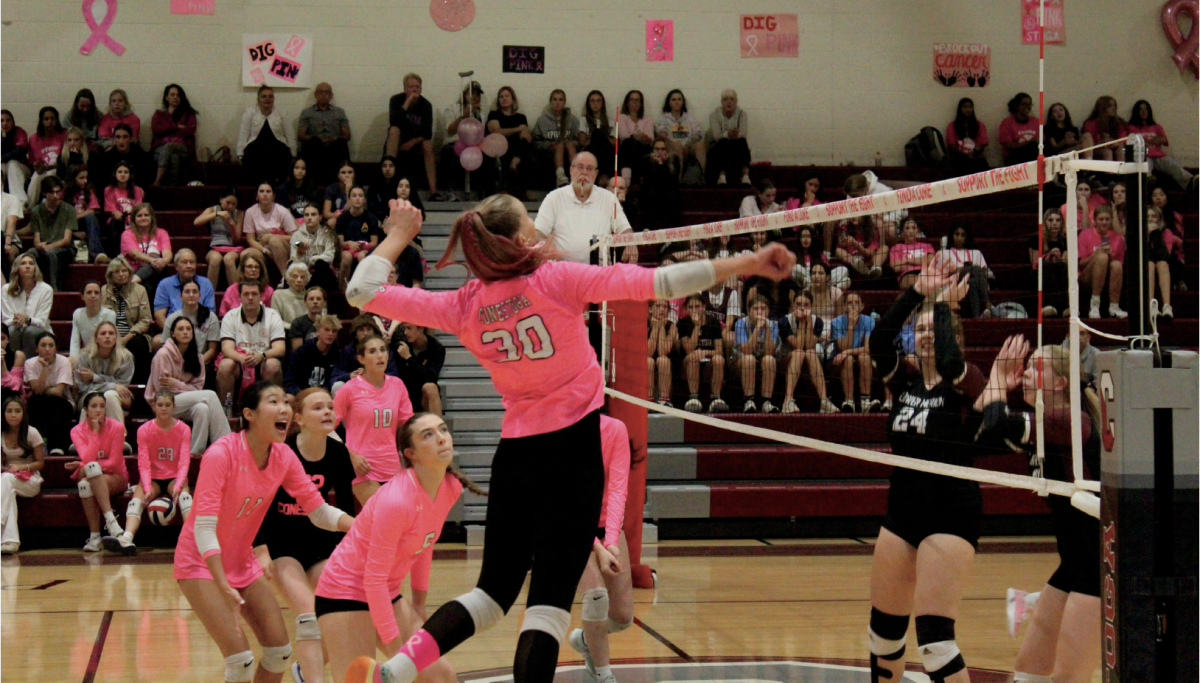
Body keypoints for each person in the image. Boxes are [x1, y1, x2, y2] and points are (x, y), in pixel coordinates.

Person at [340, 195, 794, 683]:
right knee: (549, 607)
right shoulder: (556, 279)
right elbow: (659, 283)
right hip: (574, 454)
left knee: (491, 594)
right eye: (529, 219)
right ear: (519, 239)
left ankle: (396, 669)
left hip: (515, 455)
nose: (539, 226)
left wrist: (398, 236)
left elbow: (360, 292)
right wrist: (747, 262)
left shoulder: (464, 303)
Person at [173, 381, 354, 683]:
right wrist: (222, 585)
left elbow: (319, 511)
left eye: (285, 401)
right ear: (249, 414)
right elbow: (203, 527)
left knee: (279, 653)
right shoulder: (222, 453)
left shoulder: (283, 456)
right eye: (273, 402)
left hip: (241, 563)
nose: (284, 408)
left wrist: (363, 527)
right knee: (241, 661)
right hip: (201, 566)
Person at [863, 258, 985, 683]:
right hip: (902, 513)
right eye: (922, 330)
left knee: (935, 645)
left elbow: (951, 363)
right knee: (883, 637)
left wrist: (942, 307)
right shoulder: (906, 381)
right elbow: (879, 340)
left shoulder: (969, 382)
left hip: (950, 516)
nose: (927, 336)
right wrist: (917, 294)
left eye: (936, 330)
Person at [977, 340, 1102, 683]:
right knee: (1028, 671)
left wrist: (999, 380)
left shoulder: (1067, 421)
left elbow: (998, 422)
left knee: (1067, 679)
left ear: (1060, 383)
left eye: (1036, 367)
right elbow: (984, 428)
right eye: (1027, 366)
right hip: (1073, 563)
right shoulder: (1043, 426)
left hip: (1102, 567)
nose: (1027, 374)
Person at [318, 413, 475, 683]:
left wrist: (419, 603)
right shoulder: (397, 500)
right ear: (410, 453)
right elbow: (373, 579)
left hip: (386, 594)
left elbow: (425, 543)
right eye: (428, 435)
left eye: (443, 429)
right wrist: (397, 657)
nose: (441, 437)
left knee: (441, 676)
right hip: (345, 592)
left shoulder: (449, 487)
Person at [249, 386, 357, 683]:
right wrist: (260, 547)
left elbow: (345, 506)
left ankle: (306, 670)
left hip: (320, 543)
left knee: (338, 614)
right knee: (309, 616)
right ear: (299, 418)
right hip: (281, 544)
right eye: (318, 408)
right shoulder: (283, 452)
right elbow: (256, 504)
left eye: (330, 407)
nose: (327, 412)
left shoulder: (338, 453)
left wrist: (352, 548)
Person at [565, 415, 634, 683]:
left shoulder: (615, 429)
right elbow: (566, 499)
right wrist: (597, 548)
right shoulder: (559, 429)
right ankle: (604, 676)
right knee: (595, 595)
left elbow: (618, 488)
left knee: (622, 616)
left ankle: (586, 639)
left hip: (608, 525)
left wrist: (612, 542)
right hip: (570, 524)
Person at [107, 390, 193, 555]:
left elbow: (184, 461)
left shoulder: (183, 429)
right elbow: (144, 462)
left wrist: (180, 483)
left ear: (174, 407)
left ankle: (192, 542)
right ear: (154, 406)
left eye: (167, 405)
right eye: (160, 405)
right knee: (136, 501)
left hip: (174, 476)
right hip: (153, 477)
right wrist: (146, 487)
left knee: (184, 498)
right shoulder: (144, 430)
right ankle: (127, 538)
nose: (163, 408)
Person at [334, 334, 414, 504]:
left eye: (383, 350)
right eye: (372, 351)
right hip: (362, 467)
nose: (379, 355)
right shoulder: (349, 390)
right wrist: (349, 454)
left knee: (387, 524)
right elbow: (325, 429)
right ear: (361, 358)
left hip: (392, 465)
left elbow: (408, 425)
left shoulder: (397, 385)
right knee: (383, 511)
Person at [533, 152, 635, 265]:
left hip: (599, 273)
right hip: (563, 272)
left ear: (596, 174)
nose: (584, 172)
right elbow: (538, 233)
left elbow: (625, 229)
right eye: (580, 167)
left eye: (589, 168)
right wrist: (547, 248)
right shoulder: (554, 198)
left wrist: (631, 243)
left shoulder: (609, 199)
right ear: (571, 170)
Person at [150, 314, 232, 451]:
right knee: (210, 395)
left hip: (183, 402)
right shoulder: (163, 355)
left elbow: (198, 388)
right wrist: (187, 389)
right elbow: (162, 390)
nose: (185, 332)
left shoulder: (198, 357)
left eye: (188, 329)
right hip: (162, 403)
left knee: (203, 409)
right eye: (181, 329)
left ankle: (195, 454)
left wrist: (177, 385)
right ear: (173, 333)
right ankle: (226, 446)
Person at [69, 390, 129, 551]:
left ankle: (110, 521)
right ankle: (95, 536)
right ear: (86, 410)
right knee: (85, 484)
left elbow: (115, 463)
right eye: (94, 406)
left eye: (102, 406)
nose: (98, 410)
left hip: (116, 477)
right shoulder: (77, 431)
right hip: (93, 475)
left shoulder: (116, 427)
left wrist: (83, 467)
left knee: (91, 469)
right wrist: (94, 432)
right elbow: (88, 460)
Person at [218, 281, 287, 411]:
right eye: (246, 294)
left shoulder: (272, 316)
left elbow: (280, 348)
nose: (250, 297)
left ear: (261, 296)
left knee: (273, 365)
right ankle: (226, 410)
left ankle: (273, 408)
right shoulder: (230, 316)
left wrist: (262, 355)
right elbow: (227, 349)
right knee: (225, 365)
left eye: (254, 294)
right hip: (239, 361)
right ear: (239, 297)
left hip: (263, 359)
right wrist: (240, 358)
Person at [779, 292, 836, 414]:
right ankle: (787, 401)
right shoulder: (784, 321)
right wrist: (801, 322)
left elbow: (809, 345)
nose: (802, 308)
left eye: (806, 305)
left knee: (810, 352)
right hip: (786, 361)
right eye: (798, 304)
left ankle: (824, 401)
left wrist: (808, 322)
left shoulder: (818, 322)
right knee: (799, 352)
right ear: (793, 305)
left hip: (808, 361)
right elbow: (798, 346)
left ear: (812, 307)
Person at [1, 395, 44, 555]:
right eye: (9, 411)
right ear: (3, 413)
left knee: (5, 481)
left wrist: (21, 466)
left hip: (30, 480)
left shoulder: (32, 432)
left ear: (23, 413)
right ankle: (10, 542)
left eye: (17, 411)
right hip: (8, 479)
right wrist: (7, 468)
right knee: (7, 487)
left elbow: (40, 463)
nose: (13, 415)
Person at [386, 73, 440, 198]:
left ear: (421, 89)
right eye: (411, 87)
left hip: (415, 144)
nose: (414, 90)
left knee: (427, 144)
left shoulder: (426, 105)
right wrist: (407, 102)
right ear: (405, 89)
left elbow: (427, 133)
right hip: (397, 142)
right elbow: (394, 122)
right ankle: (388, 185)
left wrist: (413, 142)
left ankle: (433, 191)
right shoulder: (395, 100)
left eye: (417, 87)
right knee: (394, 130)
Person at [101, 255, 154, 383]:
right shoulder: (104, 290)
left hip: (133, 334)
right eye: (117, 271)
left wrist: (125, 338)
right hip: (112, 334)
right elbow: (101, 318)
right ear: (110, 275)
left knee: (139, 343)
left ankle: (139, 384)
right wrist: (115, 337)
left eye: (124, 271)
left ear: (130, 273)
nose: (121, 274)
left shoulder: (139, 290)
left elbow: (145, 320)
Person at [1127, 99, 1196, 191]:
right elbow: (1133, 141)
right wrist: (1154, 140)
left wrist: (1145, 141)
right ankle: (1148, 184)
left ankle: (1192, 182)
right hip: (1144, 154)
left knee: (1173, 165)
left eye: (1146, 109)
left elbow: (1163, 140)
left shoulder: (1156, 127)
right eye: (1140, 110)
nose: (1143, 112)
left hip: (1158, 155)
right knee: (1145, 167)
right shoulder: (1131, 127)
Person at [23, 332, 74, 456]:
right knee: (35, 400)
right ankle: (35, 445)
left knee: (50, 401)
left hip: (64, 403)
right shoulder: (30, 363)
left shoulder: (64, 362)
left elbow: (58, 391)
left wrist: (42, 390)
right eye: (43, 345)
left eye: (51, 345)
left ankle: (56, 446)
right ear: (36, 348)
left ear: (56, 348)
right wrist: (45, 368)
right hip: (40, 403)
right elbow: (37, 391)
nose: (47, 349)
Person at [75, 321, 134, 423]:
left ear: (116, 338)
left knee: (110, 396)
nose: (107, 336)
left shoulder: (126, 357)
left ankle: (117, 437)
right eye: (103, 333)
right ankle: (86, 438)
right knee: (93, 398)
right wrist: (112, 385)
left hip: (117, 399)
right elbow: (83, 387)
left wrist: (94, 378)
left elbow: (122, 386)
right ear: (96, 338)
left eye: (111, 333)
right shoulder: (84, 356)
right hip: (87, 396)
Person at [237, 85, 296, 185]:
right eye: (264, 96)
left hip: (277, 148)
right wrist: (240, 154)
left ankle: (274, 182)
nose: (267, 99)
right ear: (258, 99)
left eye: (270, 96)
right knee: (254, 152)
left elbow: (290, 134)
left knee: (280, 151)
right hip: (256, 148)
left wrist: (294, 154)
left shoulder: (282, 113)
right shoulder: (250, 113)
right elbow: (243, 134)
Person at [678, 294, 727, 413]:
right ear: (686, 309)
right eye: (691, 307)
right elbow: (688, 349)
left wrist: (704, 352)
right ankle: (693, 398)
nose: (694, 310)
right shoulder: (682, 324)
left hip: (708, 364)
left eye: (697, 306)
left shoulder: (714, 323)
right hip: (688, 365)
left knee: (719, 359)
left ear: (704, 307)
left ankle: (716, 398)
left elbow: (719, 350)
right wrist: (697, 327)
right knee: (693, 356)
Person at [831, 291, 877, 413]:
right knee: (848, 359)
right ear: (845, 306)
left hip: (859, 357)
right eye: (850, 303)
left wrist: (847, 352)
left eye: (856, 303)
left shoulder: (869, 321)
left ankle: (865, 402)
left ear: (862, 306)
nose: (853, 306)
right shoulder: (836, 322)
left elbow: (868, 348)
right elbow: (842, 348)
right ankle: (849, 401)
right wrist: (851, 325)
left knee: (865, 357)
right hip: (838, 360)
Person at [1078, 204, 1127, 319]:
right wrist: (1096, 254)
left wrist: (1111, 256)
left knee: (1116, 264)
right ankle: (1094, 304)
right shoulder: (1085, 234)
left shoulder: (1118, 238)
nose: (1104, 222)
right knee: (1102, 258)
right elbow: (1081, 264)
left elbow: (1119, 266)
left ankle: (1114, 307)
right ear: (1095, 220)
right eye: (1101, 219)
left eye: (1107, 219)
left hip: (1108, 277)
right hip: (1086, 275)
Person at [298, 82, 352, 184]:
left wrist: (334, 139)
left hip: (334, 146)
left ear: (331, 95)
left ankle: (344, 181)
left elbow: (347, 136)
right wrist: (317, 138)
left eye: (327, 92)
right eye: (320, 92)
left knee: (341, 143)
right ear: (315, 94)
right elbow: (300, 135)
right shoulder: (307, 112)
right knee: (314, 142)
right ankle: (312, 182)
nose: (324, 94)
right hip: (316, 147)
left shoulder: (339, 112)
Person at [733, 295, 779, 413]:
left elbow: (769, 352)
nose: (760, 312)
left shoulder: (773, 325)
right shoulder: (740, 323)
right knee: (749, 359)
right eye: (755, 309)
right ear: (749, 311)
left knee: (770, 360)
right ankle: (748, 401)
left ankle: (766, 402)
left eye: (763, 309)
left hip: (761, 363)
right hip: (740, 362)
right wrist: (758, 328)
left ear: (768, 311)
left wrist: (767, 329)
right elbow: (747, 351)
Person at [29, 176, 76, 291]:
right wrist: (39, 245)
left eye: (58, 192)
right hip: (45, 247)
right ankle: (30, 287)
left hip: (65, 249)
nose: (55, 195)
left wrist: (49, 247)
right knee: (29, 254)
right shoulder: (36, 211)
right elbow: (36, 238)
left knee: (52, 253)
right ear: (44, 193)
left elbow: (67, 240)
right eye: (52, 192)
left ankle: (55, 289)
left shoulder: (69, 210)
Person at [331, 316, 400, 395]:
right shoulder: (347, 351)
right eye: (361, 330)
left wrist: (371, 375)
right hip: (353, 388)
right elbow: (334, 378)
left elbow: (394, 375)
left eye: (369, 329)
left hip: (378, 388)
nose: (366, 333)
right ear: (355, 334)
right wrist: (350, 376)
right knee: (337, 385)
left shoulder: (383, 349)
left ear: (374, 332)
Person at [440, 81, 488, 192]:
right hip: (453, 143)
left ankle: (481, 192)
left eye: (477, 94)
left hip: (472, 146)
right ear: (465, 95)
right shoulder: (453, 109)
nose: (474, 96)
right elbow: (450, 131)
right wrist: (463, 116)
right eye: (472, 93)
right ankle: (451, 190)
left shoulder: (480, 115)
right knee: (454, 151)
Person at [244, 182, 298, 279]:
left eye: (268, 191)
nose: (265, 194)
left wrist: (271, 237)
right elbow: (250, 240)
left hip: (283, 247)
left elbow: (295, 237)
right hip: (262, 248)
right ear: (257, 196)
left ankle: (286, 278)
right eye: (262, 191)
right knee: (245, 254)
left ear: (273, 196)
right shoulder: (250, 212)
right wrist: (265, 250)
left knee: (274, 241)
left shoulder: (282, 210)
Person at [3, 253, 53, 357]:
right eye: (23, 263)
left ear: (35, 268)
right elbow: (5, 319)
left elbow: (42, 321)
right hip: (14, 327)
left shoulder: (46, 289)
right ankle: (14, 368)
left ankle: (28, 367)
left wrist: (28, 319)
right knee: (13, 330)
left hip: (38, 329)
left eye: (31, 263)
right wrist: (16, 320)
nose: (27, 266)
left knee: (29, 331)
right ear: (17, 268)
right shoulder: (6, 289)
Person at [162, 280, 221, 368]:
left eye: (194, 292)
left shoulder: (211, 317)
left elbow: (212, 350)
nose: (191, 295)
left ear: (199, 296)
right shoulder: (172, 318)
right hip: (176, 364)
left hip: (202, 364)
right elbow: (166, 346)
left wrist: (198, 363)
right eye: (187, 292)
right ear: (181, 296)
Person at [149, 83, 199, 185]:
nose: (175, 97)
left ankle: (157, 180)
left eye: (178, 95)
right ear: (166, 97)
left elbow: (190, 131)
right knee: (173, 157)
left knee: (169, 146)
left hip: (182, 149)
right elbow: (156, 130)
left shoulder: (188, 114)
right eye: (172, 94)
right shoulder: (159, 114)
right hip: (160, 149)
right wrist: (176, 127)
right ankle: (172, 188)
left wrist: (166, 129)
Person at [939, 224, 992, 319]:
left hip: (971, 282)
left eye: (963, 235)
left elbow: (984, 272)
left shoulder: (976, 253)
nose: (959, 238)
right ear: (952, 236)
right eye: (957, 234)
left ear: (966, 237)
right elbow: (942, 274)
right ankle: (988, 305)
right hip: (954, 282)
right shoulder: (944, 253)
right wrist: (961, 269)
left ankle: (977, 317)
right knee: (975, 268)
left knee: (972, 281)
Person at [196, 186, 245, 289]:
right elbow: (196, 222)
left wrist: (232, 226)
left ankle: (235, 294)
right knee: (215, 258)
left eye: (233, 204)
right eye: (228, 203)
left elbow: (237, 239)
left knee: (228, 259)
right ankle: (209, 296)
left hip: (231, 248)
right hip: (215, 246)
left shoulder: (239, 213)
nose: (230, 206)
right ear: (221, 199)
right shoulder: (212, 210)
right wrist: (217, 214)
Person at [120, 202, 172, 299]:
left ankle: (131, 283)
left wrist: (163, 261)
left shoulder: (161, 233)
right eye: (139, 216)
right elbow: (135, 254)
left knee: (157, 259)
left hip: (158, 273)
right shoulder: (127, 234)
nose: (143, 218)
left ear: (151, 217)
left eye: (146, 215)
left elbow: (168, 253)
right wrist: (153, 261)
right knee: (148, 281)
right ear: (134, 218)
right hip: (134, 271)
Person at [153, 249, 215, 329]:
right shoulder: (165, 284)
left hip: (200, 330)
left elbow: (210, 314)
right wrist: (175, 334)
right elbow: (159, 316)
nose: (189, 266)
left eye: (192, 262)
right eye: (184, 262)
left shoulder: (206, 284)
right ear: (176, 266)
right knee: (157, 340)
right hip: (173, 330)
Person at [394, 323, 445, 416]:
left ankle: (437, 427)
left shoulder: (436, 348)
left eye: (409, 328)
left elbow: (430, 378)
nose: (405, 332)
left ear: (421, 328)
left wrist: (409, 358)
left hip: (423, 396)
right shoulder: (401, 346)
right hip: (405, 392)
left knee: (431, 387)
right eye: (405, 329)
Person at [532, 89, 580, 188]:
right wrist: (549, 144)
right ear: (550, 102)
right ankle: (560, 176)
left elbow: (578, 140)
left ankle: (576, 175)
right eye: (554, 100)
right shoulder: (542, 120)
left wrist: (569, 143)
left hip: (569, 149)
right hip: (550, 150)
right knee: (559, 146)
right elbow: (536, 142)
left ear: (564, 102)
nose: (557, 103)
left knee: (567, 144)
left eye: (560, 100)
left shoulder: (572, 120)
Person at [655, 89, 704, 183]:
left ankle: (701, 178)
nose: (676, 102)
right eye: (673, 100)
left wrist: (688, 145)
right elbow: (662, 135)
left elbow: (697, 134)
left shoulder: (690, 119)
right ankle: (679, 178)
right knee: (677, 145)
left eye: (679, 99)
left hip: (688, 147)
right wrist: (678, 145)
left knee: (700, 145)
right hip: (672, 147)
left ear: (683, 102)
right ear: (669, 103)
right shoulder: (663, 119)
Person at [284, 315, 341, 396]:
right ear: (317, 332)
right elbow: (289, 381)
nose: (330, 334)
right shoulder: (301, 352)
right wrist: (299, 393)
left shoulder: (338, 354)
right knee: (289, 397)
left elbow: (337, 378)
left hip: (326, 395)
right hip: (302, 394)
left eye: (334, 331)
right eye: (326, 330)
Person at [336, 186, 381, 287]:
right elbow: (340, 243)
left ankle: (365, 289)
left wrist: (364, 246)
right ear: (349, 199)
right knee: (346, 257)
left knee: (362, 256)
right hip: (348, 249)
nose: (357, 198)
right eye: (354, 195)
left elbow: (374, 242)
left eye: (360, 196)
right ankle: (343, 291)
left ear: (364, 200)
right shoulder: (342, 218)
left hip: (364, 249)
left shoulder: (371, 218)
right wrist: (349, 244)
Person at [63, 164, 108, 263]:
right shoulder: (64, 193)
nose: (85, 181)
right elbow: (61, 216)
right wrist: (74, 232)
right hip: (68, 227)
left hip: (85, 224)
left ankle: (97, 254)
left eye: (86, 177)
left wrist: (75, 217)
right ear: (73, 179)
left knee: (91, 217)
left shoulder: (89, 191)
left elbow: (91, 210)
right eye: (81, 178)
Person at [706, 89, 751, 186]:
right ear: (722, 102)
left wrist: (735, 134)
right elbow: (716, 136)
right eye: (725, 99)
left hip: (736, 145)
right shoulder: (714, 115)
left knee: (742, 141)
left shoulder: (742, 114)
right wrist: (728, 134)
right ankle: (721, 176)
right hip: (718, 147)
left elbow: (743, 134)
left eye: (732, 99)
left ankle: (745, 176)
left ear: (736, 102)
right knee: (724, 142)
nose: (729, 102)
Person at [1030, 208, 1070, 318]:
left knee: (1061, 267)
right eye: (1051, 220)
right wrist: (1048, 257)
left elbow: (1065, 262)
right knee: (1047, 267)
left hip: (1059, 271)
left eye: (1058, 220)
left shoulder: (1065, 239)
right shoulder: (1036, 238)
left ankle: (1066, 307)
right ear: (1045, 222)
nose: (1054, 224)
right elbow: (1034, 264)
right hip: (1039, 273)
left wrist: (1059, 258)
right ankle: (1049, 305)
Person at [291, 203, 339, 293]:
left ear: (320, 217)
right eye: (306, 215)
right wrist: (300, 253)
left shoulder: (327, 233)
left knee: (320, 264)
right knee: (293, 269)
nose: (309, 218)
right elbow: (294, 260)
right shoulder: (296, 236)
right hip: (304, 273)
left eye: (313, 214)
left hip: (324, 273)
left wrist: (311, 259)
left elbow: (330, 256)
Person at [638, 139, 682, 232]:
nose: (659, 152)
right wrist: (659, 164)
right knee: (652, 193)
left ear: (667, 150)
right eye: (657, 149)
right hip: (651, 194)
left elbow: (671, 184)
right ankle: (648, 227)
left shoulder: (674, 160)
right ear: (653, 150)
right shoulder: (647, 161)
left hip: (668, 195)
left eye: (663, 149)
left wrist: (662, 165)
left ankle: (678, 228)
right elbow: (649, 183)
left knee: (673, 195)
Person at [26, 107, 66, 208]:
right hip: (42, 170)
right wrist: (37, 166)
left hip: (58, 170)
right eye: (46, 119)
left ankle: (46, 206)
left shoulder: (64, 135)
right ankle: (30, 208)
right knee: (36, 177)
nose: (50, 122)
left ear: (57, 120)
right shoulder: (34, 138)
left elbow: (65, 161)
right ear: (41, 121)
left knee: (50, 174)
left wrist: (47, 167)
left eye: (53, 119)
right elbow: (33, 162)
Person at [1146, 205, 1180, 320]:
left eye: (1154, 216)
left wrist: (1156, 235)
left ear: (1159, 219)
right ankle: (1151, 305)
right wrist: (1146, 235)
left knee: (1162, 264)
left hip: (1163, 265)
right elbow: (1140, 255)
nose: (1150, 219)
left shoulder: (1167, 233)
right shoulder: (1137, 233)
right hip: (1145, 265)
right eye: (1147, 216)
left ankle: (1166, 306)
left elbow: (1165, 255)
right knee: (1149, 264)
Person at [614, 90, 653, 186]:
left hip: (643, 148)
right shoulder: (622, 117)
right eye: (632, 100)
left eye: (638, 100)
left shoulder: (648, 119)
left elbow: (650, 137)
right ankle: (626, 180)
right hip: (627, 148)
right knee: (629, 143)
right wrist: (637, 137)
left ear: (641, 103)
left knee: (642, 147)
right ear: (627, 103)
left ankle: (641, 179)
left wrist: (636, 137)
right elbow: (624, 135)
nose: (635, 102)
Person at [219, 250, 275, 317]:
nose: (253, 269)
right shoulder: (232, 290)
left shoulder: (269, 291)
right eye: (250, 266)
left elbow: (272, 315)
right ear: (243, 269)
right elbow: (223, 314)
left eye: (256, 267)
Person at [103, 160, 145, 248]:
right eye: (120, 172)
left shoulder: (137, 190)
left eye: (126, 172)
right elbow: (110, 207)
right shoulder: (109, 189)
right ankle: (119, 253)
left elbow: (138, 207)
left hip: (133, 218)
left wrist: (130, 217)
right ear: (115, 174)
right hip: (116, 219)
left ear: (130, 175)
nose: (123, 174)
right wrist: (116, 213)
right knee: (116, 222)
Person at [794, 225, 849, 290]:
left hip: (821, 280)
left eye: (808, 236)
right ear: (799, 239)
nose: (805, 239)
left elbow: (827, 271)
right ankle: (828, 288)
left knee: (844, 271)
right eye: (803, 236)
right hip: (806, 280)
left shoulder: (820, 255)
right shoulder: (794, 256)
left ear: (812, 238)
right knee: (796, 268)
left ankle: (828, 288)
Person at [578, 90, 616, 184]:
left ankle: (603, 176)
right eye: (592, 101)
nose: (595, 104)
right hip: (590, 150)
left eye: (598, 101)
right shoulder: (584, 120)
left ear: (602, 104)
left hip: (607, 150)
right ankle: (601, 176)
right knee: (597, 134)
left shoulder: (610, 121)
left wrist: (601, 138)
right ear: (588, 104)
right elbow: (583, 142)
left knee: (600, 136)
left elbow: (614, 142)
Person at [945, 97, 989, 174]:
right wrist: (965, 155)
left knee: (982, 163)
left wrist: (975, 152)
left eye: (970, 107)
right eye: (965, 107)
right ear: (960, 109)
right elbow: (952, 147)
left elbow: (982, 142)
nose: (968, 109)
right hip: (959, 156)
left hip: (976, 155)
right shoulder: (952, 126)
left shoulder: (979, 125)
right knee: (964, 163)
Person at [835, 214, 886, 280]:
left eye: (857, 214)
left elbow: (870, 253)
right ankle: (858, 264)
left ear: (865, 216)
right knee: (838, 251)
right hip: (852, 258)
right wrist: (842, 244)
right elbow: (840, 248)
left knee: (885, 248)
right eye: (852, 214)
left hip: (870, 258)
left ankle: (875, 268)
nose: (853, 216)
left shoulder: (872, 231)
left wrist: (855, 244)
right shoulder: (844, 228)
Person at [647, 300, 677, 407]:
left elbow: (662, 352)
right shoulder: (644, 323)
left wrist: (661, 328)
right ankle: (648, 400)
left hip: (666, 362)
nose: (661, 310)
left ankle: (665, 400)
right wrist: (655, 327)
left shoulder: (672, 326)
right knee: (648, 361)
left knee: (663, 360)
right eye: (658, 306)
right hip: (647, 360)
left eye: (665, 307)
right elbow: (649, 352)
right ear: (650, 309)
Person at [890, 217, 934, 290]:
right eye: (907, 228)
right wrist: (921, 262)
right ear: (902, 231)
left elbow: (931, 261)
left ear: (918, 231)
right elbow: (896, 267)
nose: (911, 231)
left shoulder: (927, 246)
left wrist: (906, 261)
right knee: (918, 283)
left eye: (913, 228)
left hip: (926, 274)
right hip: (907, 275)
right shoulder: (896, 247)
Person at [1081, 96, 1126, 163]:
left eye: (1114, 106)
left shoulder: (1118, 123)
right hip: (1096, 150)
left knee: (1120, 150)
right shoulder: (1090, 123)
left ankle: (1122, 172)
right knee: (1107, 152)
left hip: (1114, 148)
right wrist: (1103, 142)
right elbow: (1089, 144)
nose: (1113, 108)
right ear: (1102, 108)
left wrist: (1114, 143)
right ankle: (1107, 173)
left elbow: (1123, 139)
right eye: (1110, 106)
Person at [999, 92, 1040, 166]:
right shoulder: (1007, 122)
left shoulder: (1035, 121)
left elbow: (1041, 142)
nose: (1027, 107)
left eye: (1029, 104)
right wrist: (1028, 143)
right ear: (1016, 106)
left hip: (1034, 154)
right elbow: (1009, 146)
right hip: (1014, 156)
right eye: (1024, 104)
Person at [1, 110, 31, 205]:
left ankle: (20, 202)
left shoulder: (19, 132)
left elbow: (20, 151)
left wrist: (2, 157)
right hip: (4, 168)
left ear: (13, 122)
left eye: (8, 120)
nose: (5, 123)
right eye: (1, 120)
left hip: (21, 168)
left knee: (12, 164)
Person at [287, 286, 329, 352]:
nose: (315, 302)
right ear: (305, 302)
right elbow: (298, 352)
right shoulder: (298, 323)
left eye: (318, 299)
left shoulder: (330, 323)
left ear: (324, 302)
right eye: (311, 299)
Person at [324, 161, 356, 228]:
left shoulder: (358, 188)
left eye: (350, 172)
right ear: (338, 175)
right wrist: (338, 215)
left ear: (354, 174)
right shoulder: (331, 188)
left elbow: (352, 210)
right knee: (331, 222)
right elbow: (326, 213)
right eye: (343, 172)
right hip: (337, 217)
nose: (347, 175)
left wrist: (348, 190)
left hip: (354, 217)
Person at [1, 328, 27, 402]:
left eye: (3, 339)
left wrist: (2, 363)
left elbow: (14, 386)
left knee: (7, 392)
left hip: (11, 396)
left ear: (8, 340)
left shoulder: (18, 356)